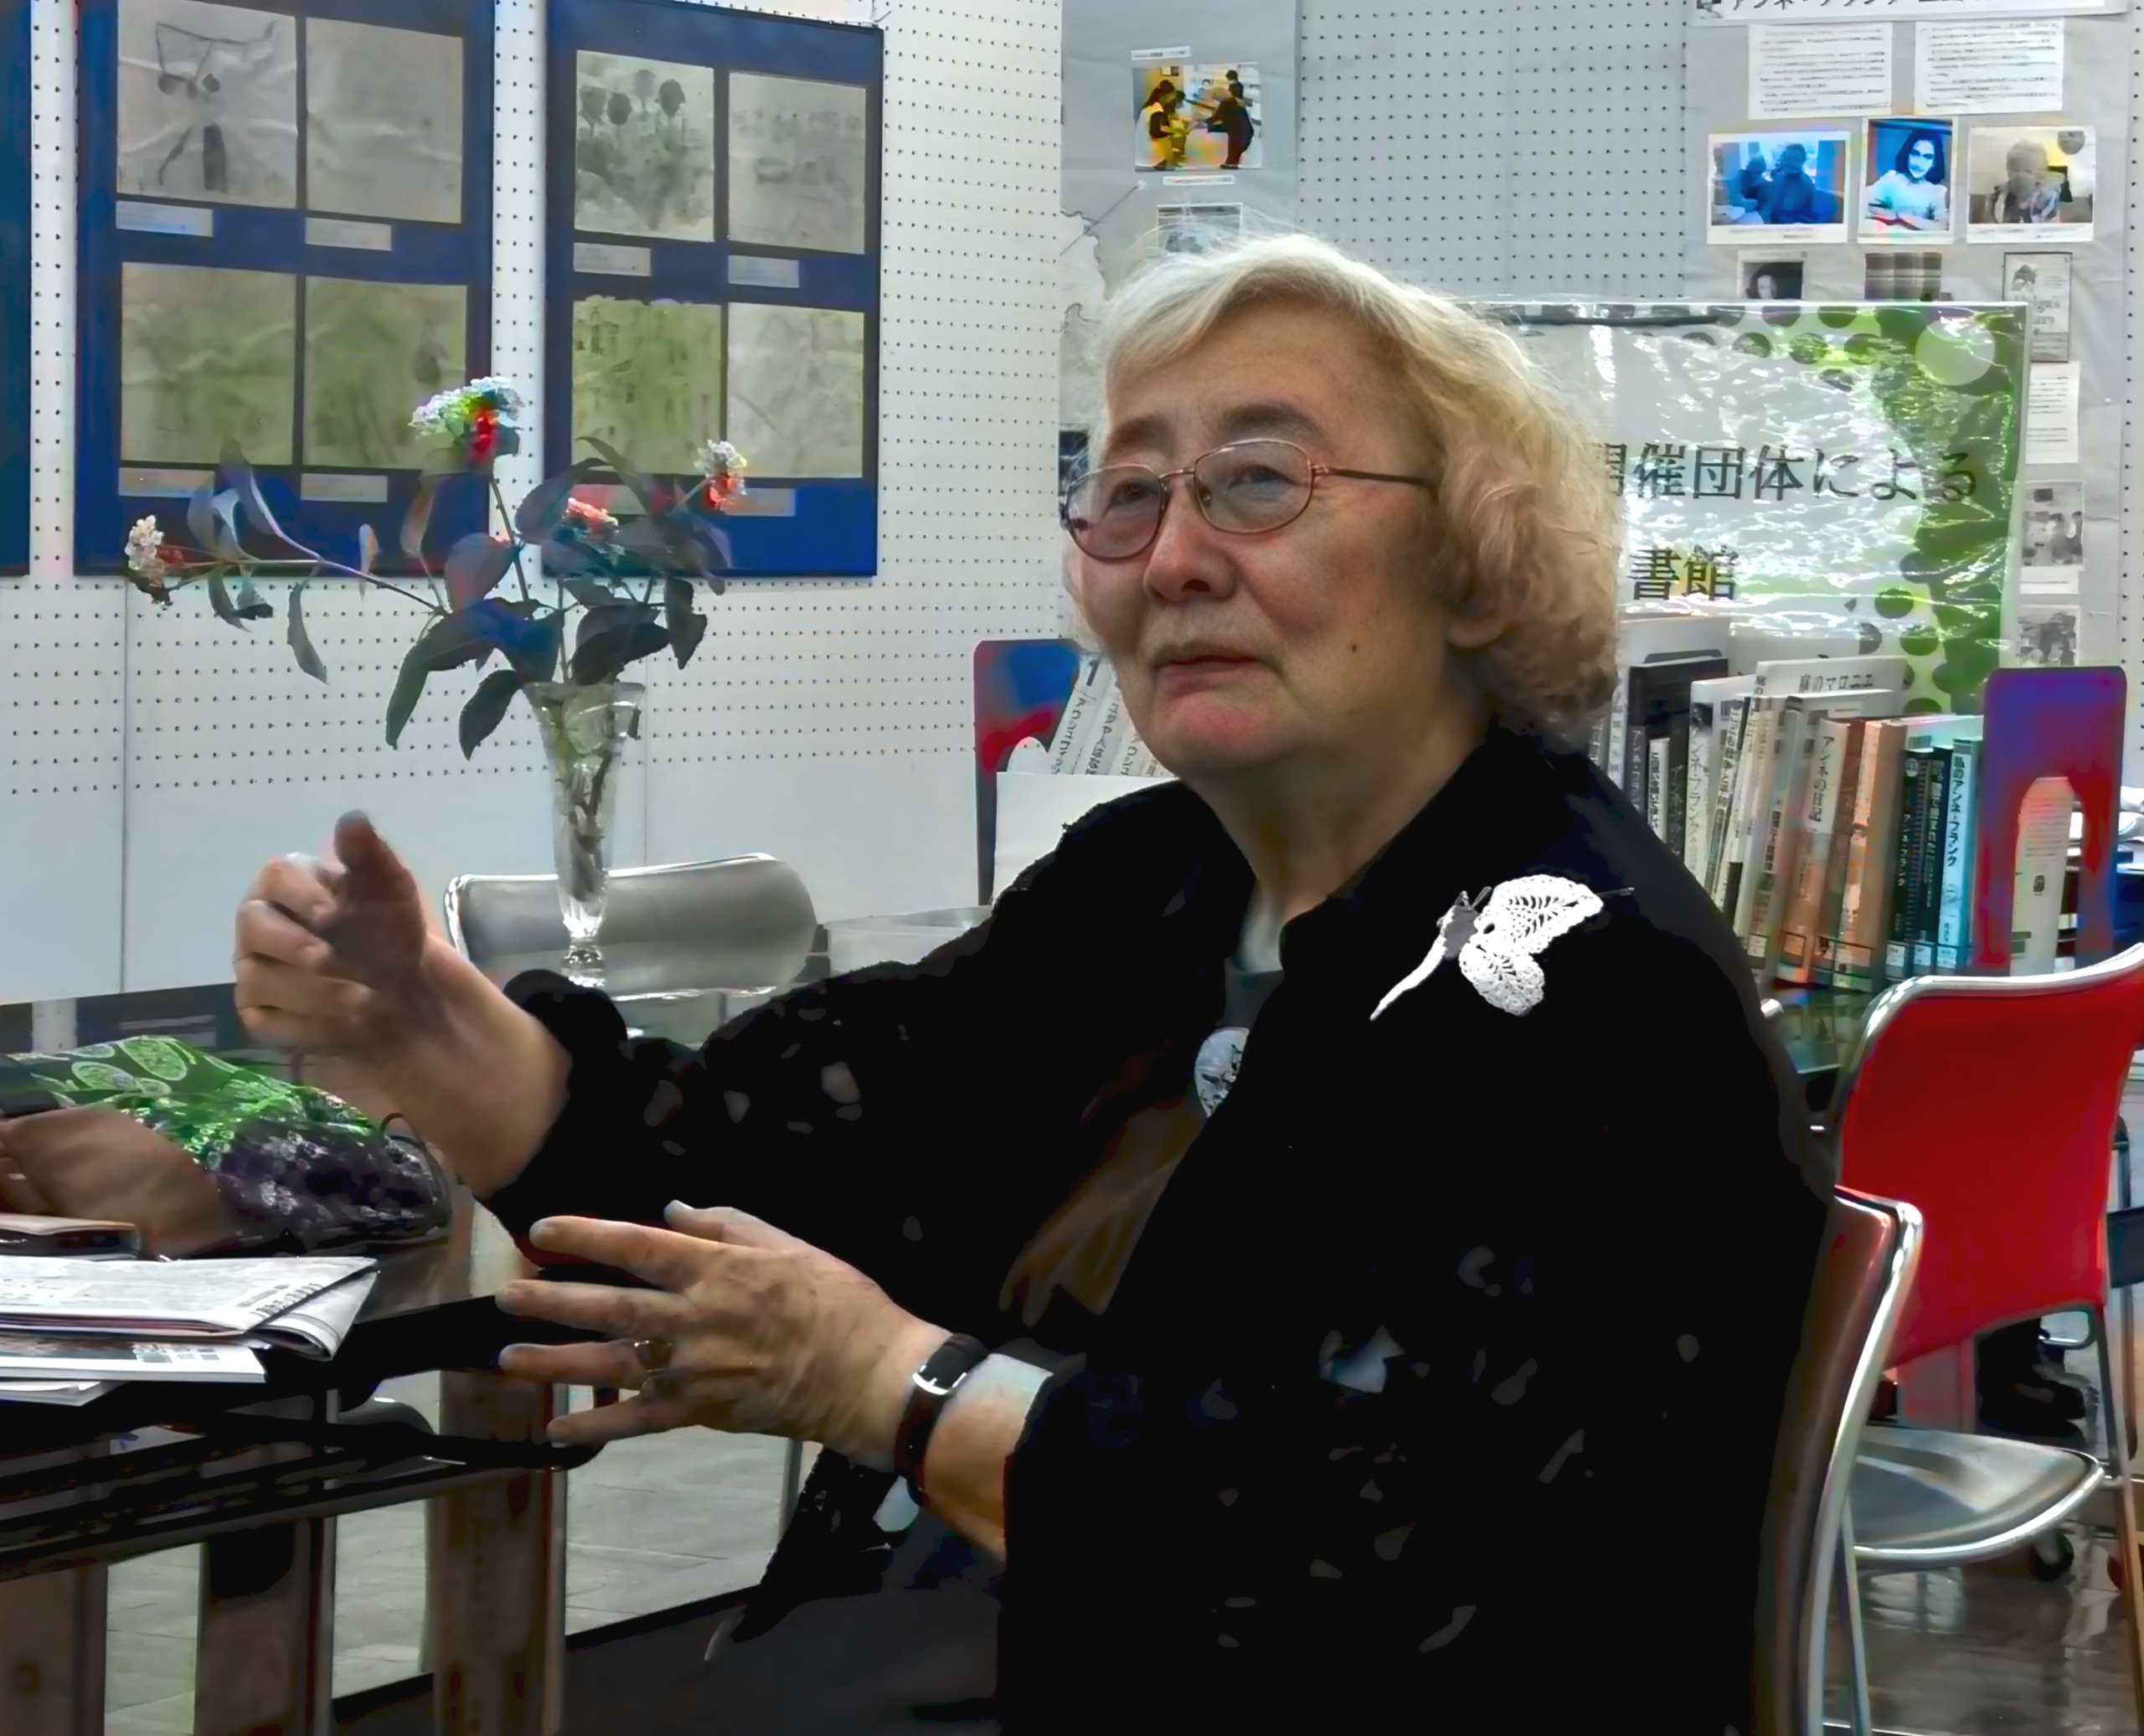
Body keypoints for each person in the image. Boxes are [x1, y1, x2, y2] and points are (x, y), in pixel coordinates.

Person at [229, 234, 1831, 1733]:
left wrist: (888, 1381)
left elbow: (1362, 1544)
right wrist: (425, 1023)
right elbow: (762, 1158)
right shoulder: (1154, 879)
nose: (1174, 558)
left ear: (1474, 561)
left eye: (1258, 481)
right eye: (1126, 493)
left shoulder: (1581, 975)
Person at [1865, 127, 1949, 234]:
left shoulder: (1937, 191)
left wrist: (1906, 217)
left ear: (1934, 162)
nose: (1918, 163)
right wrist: (1891, 214)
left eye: (1927, 157)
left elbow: (1942, 226)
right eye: (1915, 153)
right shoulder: (1892, 179)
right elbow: (1861, 203)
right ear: (1907, 154)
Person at [1995, 139, 2062, 224]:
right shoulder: (1997, 198)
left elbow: (2052, 229)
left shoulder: (2047, 197)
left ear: (2039, 174)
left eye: (2028, 171)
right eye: (2014, 170)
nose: (2020, 176)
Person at [1762, 142, 1822, 225]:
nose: (1790, 163)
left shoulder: (1806, 184)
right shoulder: (1778, 178)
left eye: (1795, 160)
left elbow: (1812, 218)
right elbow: (1769, 204)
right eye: (1787, 158)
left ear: (1802, 162)